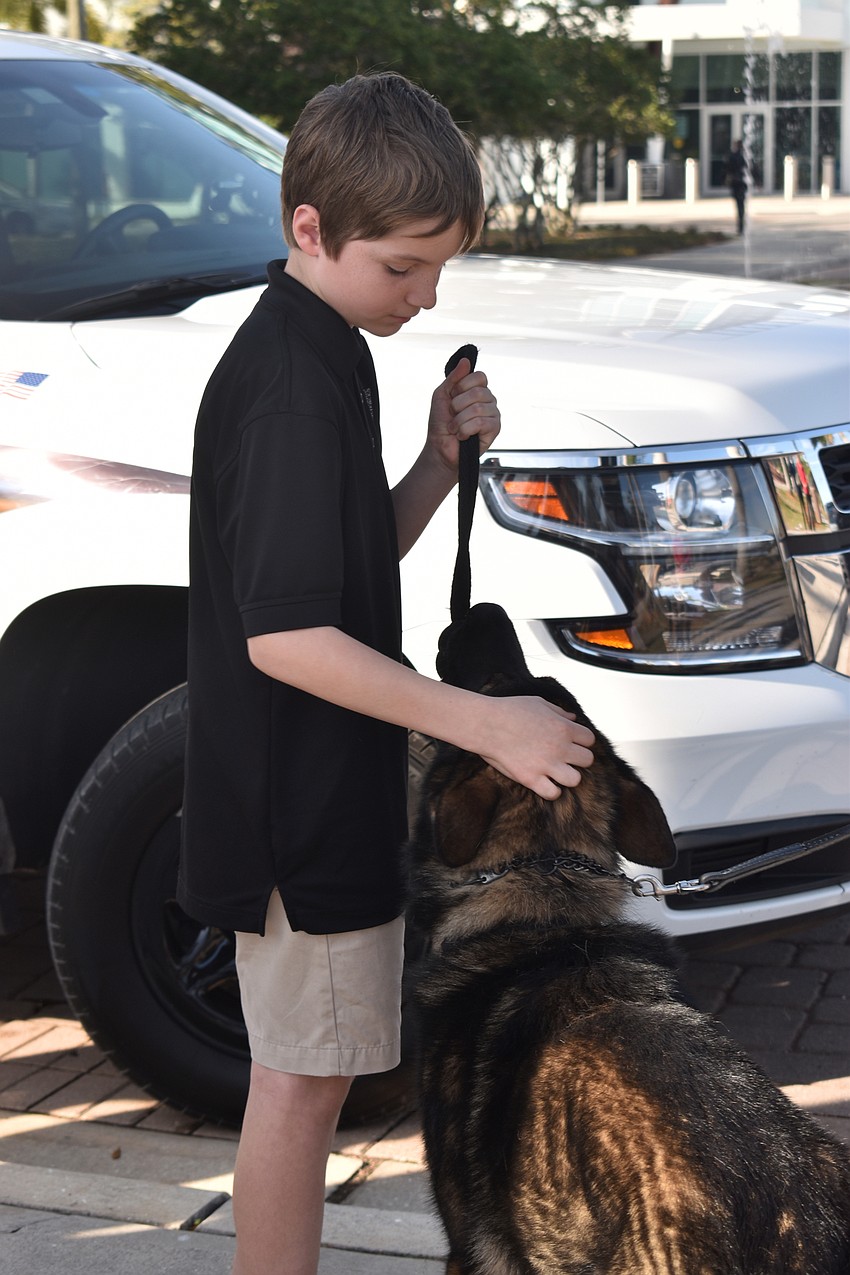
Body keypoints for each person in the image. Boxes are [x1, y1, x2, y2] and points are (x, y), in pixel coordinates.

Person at [178, 71, 595, 1275]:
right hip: (298, 816)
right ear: (309, 228)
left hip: (318, 791)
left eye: (439, 272)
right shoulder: (293, 390)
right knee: (302, 1089)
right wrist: (489, 723)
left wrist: (431, 457)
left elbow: (345, 570)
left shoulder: (325, 344)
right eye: (402, 268)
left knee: (307, 1079)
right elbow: (286, 641)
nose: (423, 298)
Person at [725, 139, 747, 234]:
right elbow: (750, 169)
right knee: (741, 205)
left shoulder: (732, 156)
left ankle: (740, 226)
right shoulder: (745, 156)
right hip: (742, 183)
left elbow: (727, 169)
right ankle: (741, 225)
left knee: (739, 205)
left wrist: (726, 180)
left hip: (736, 183)